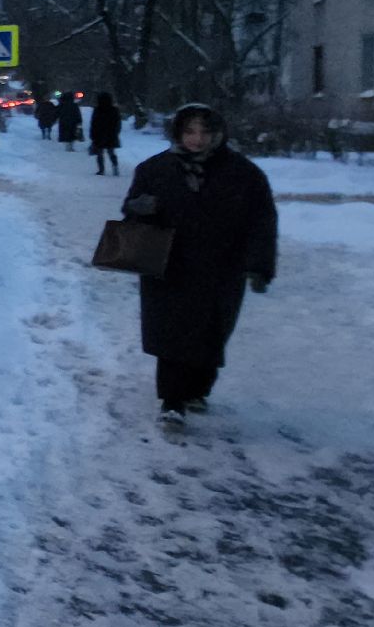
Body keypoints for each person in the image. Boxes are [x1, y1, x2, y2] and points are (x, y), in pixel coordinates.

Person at [121, 103, 277, 429]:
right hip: (168, 264)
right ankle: (172, 402)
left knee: (211, 333)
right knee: (171, 333)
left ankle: (197, 390)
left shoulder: (244, 174)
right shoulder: (155, 169)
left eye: (205, 132)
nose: (197, 139)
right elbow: (132, 210)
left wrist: (260, 265)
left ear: (217, 134)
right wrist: (140, 207)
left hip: (221, 269)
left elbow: (261, 221)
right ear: (178, 132)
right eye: (190, 131)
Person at [88, 92, 123, 176]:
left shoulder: (97, 110)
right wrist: (116, 132)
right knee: (111, 152)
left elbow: (94, 123)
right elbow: (118, 123)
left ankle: (101, 170)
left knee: (99, 153)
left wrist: (92, 135)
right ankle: (115, 167)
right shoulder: (114, 110)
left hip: (99, 134)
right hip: (111, 134)